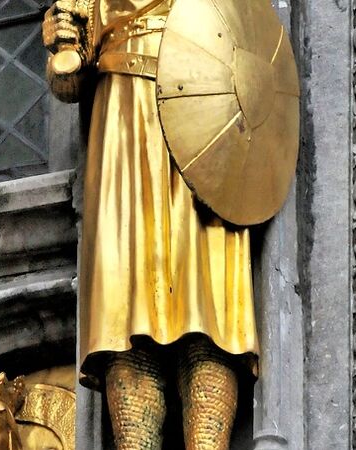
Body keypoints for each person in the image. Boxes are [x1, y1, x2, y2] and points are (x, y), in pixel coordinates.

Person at [42, 1, 260, 448]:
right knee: (123, 311)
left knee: (209, 307)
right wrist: (64, 43)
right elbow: (68, 80)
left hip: (208, 106)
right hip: (124, 119)